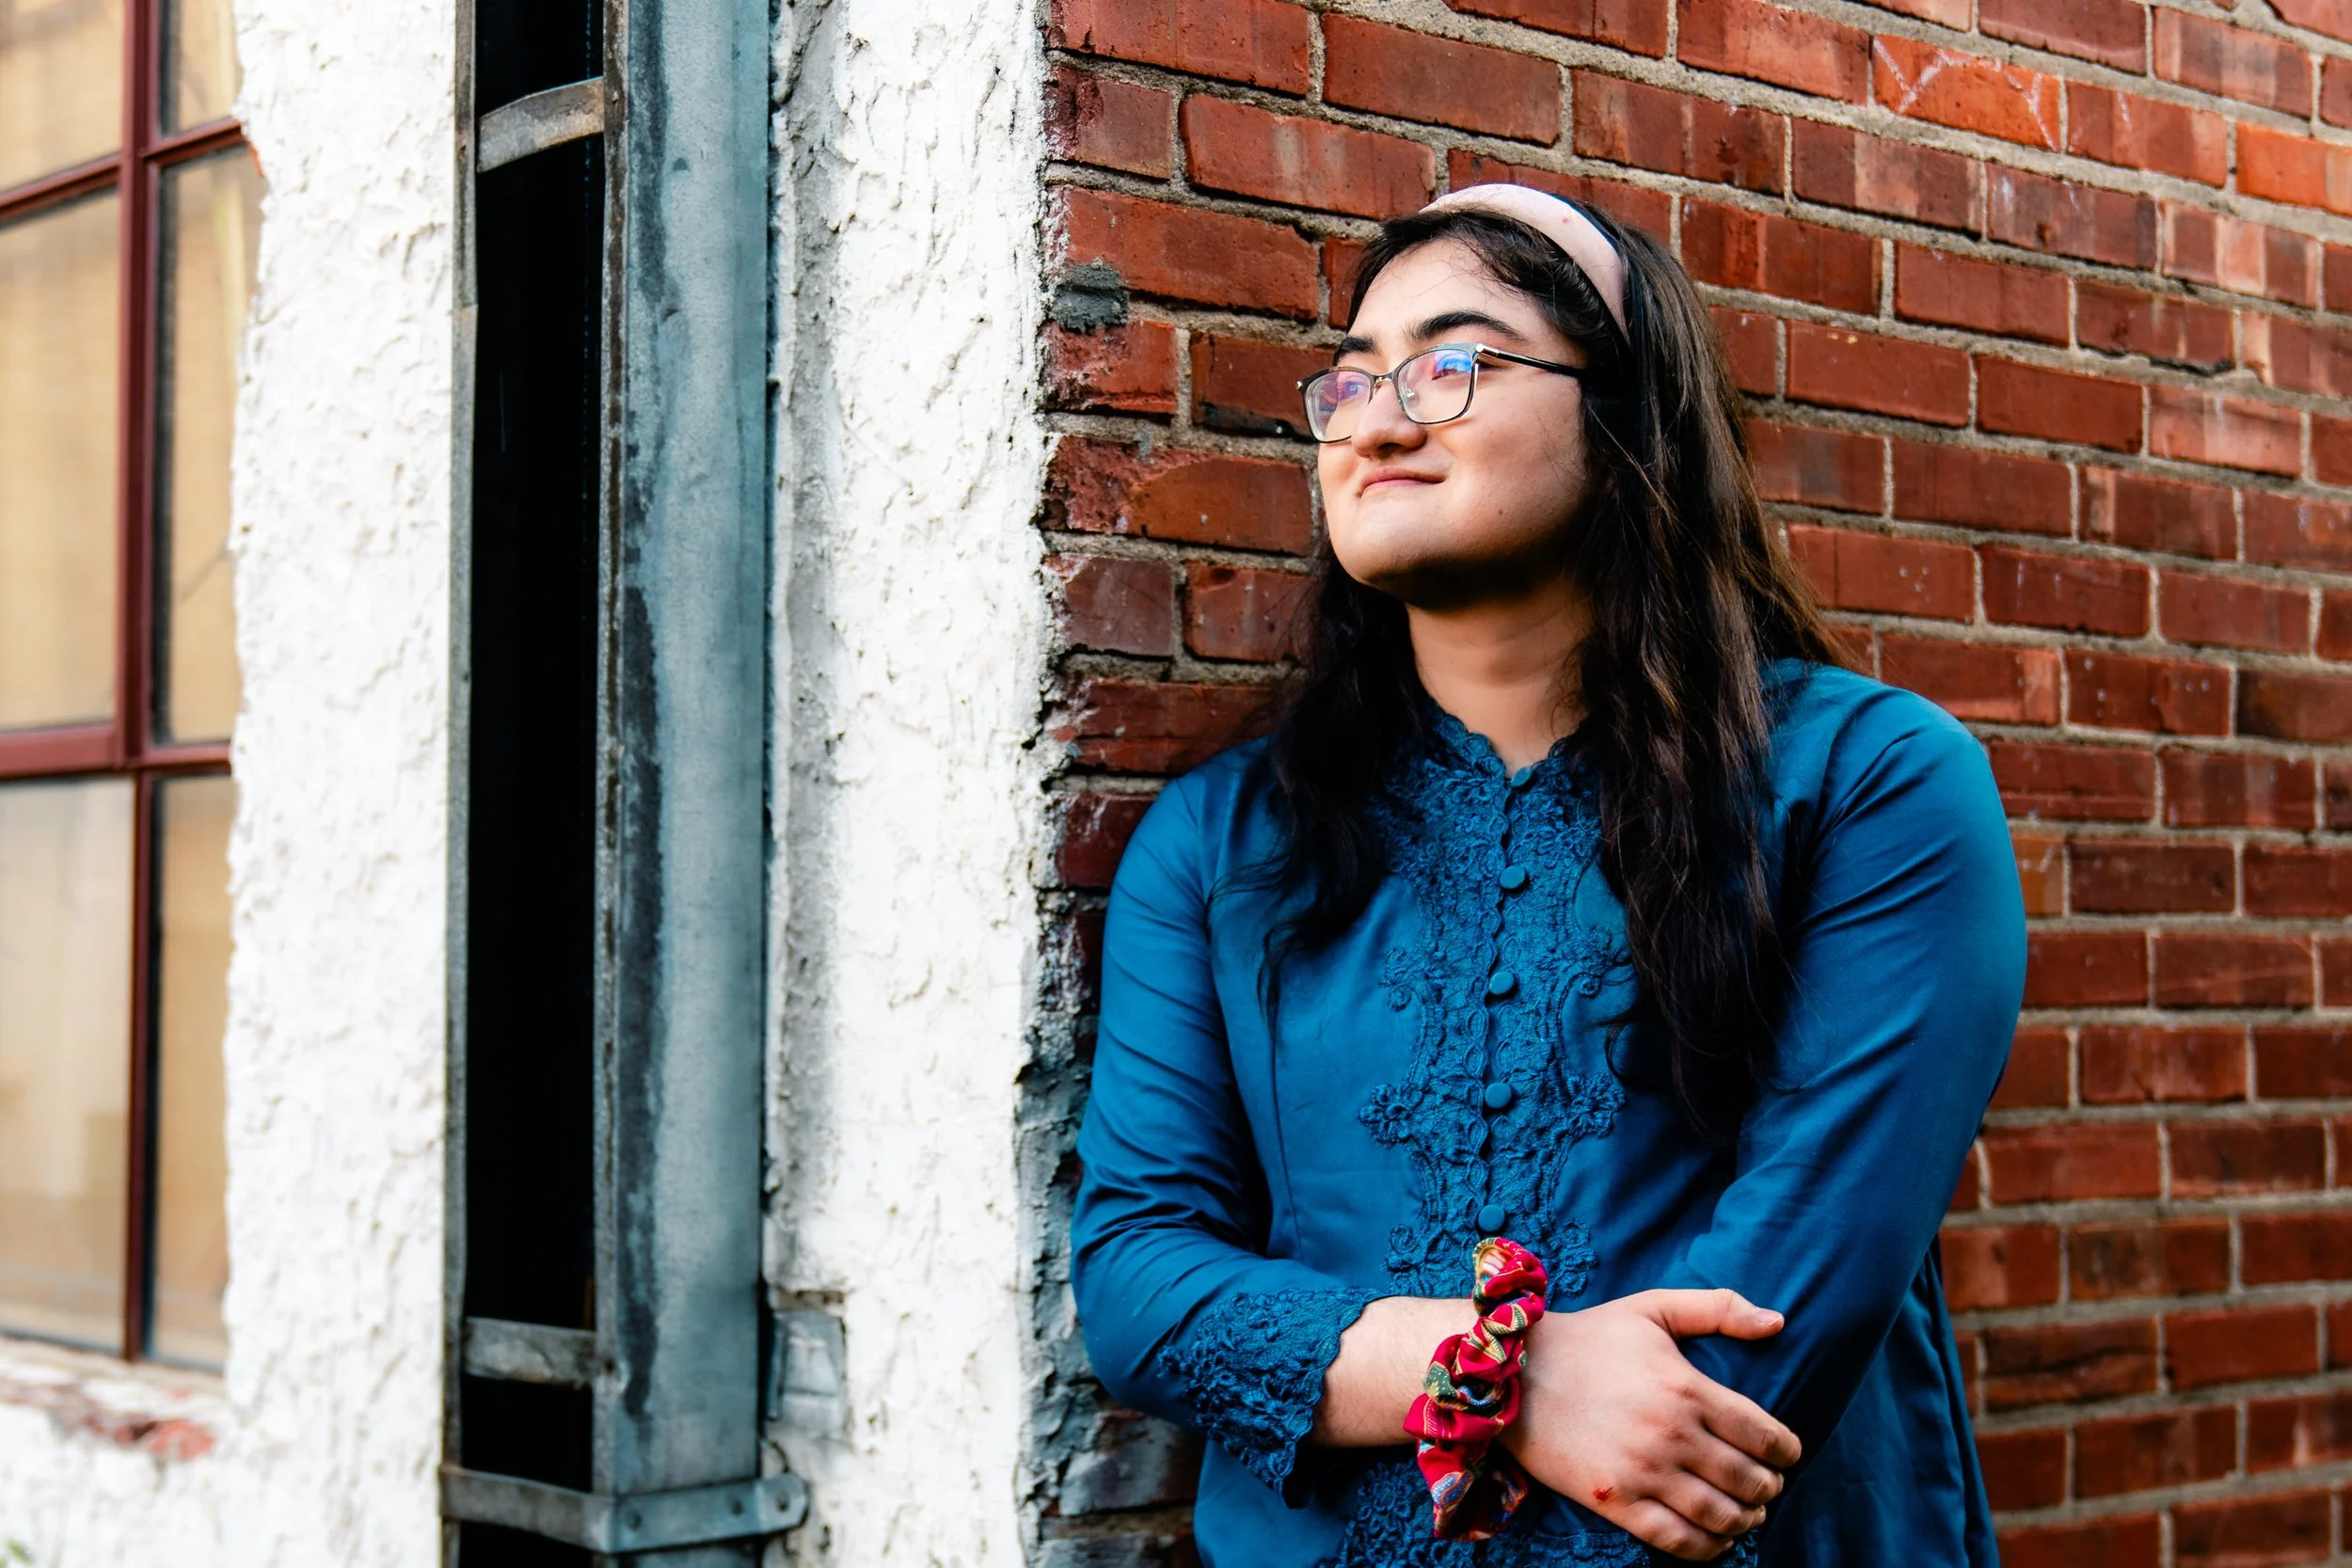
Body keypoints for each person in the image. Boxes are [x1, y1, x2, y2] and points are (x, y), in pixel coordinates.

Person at [1068, 183, 2026, 1567]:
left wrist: (1505, 1398)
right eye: (1352, 380)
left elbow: (1775, 1320)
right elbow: (1141, 1282)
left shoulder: (1870, 783)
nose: (1378, 421)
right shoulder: (1224, 842)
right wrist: (1502, 1373)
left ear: (1627, 412)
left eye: (1453, 364)